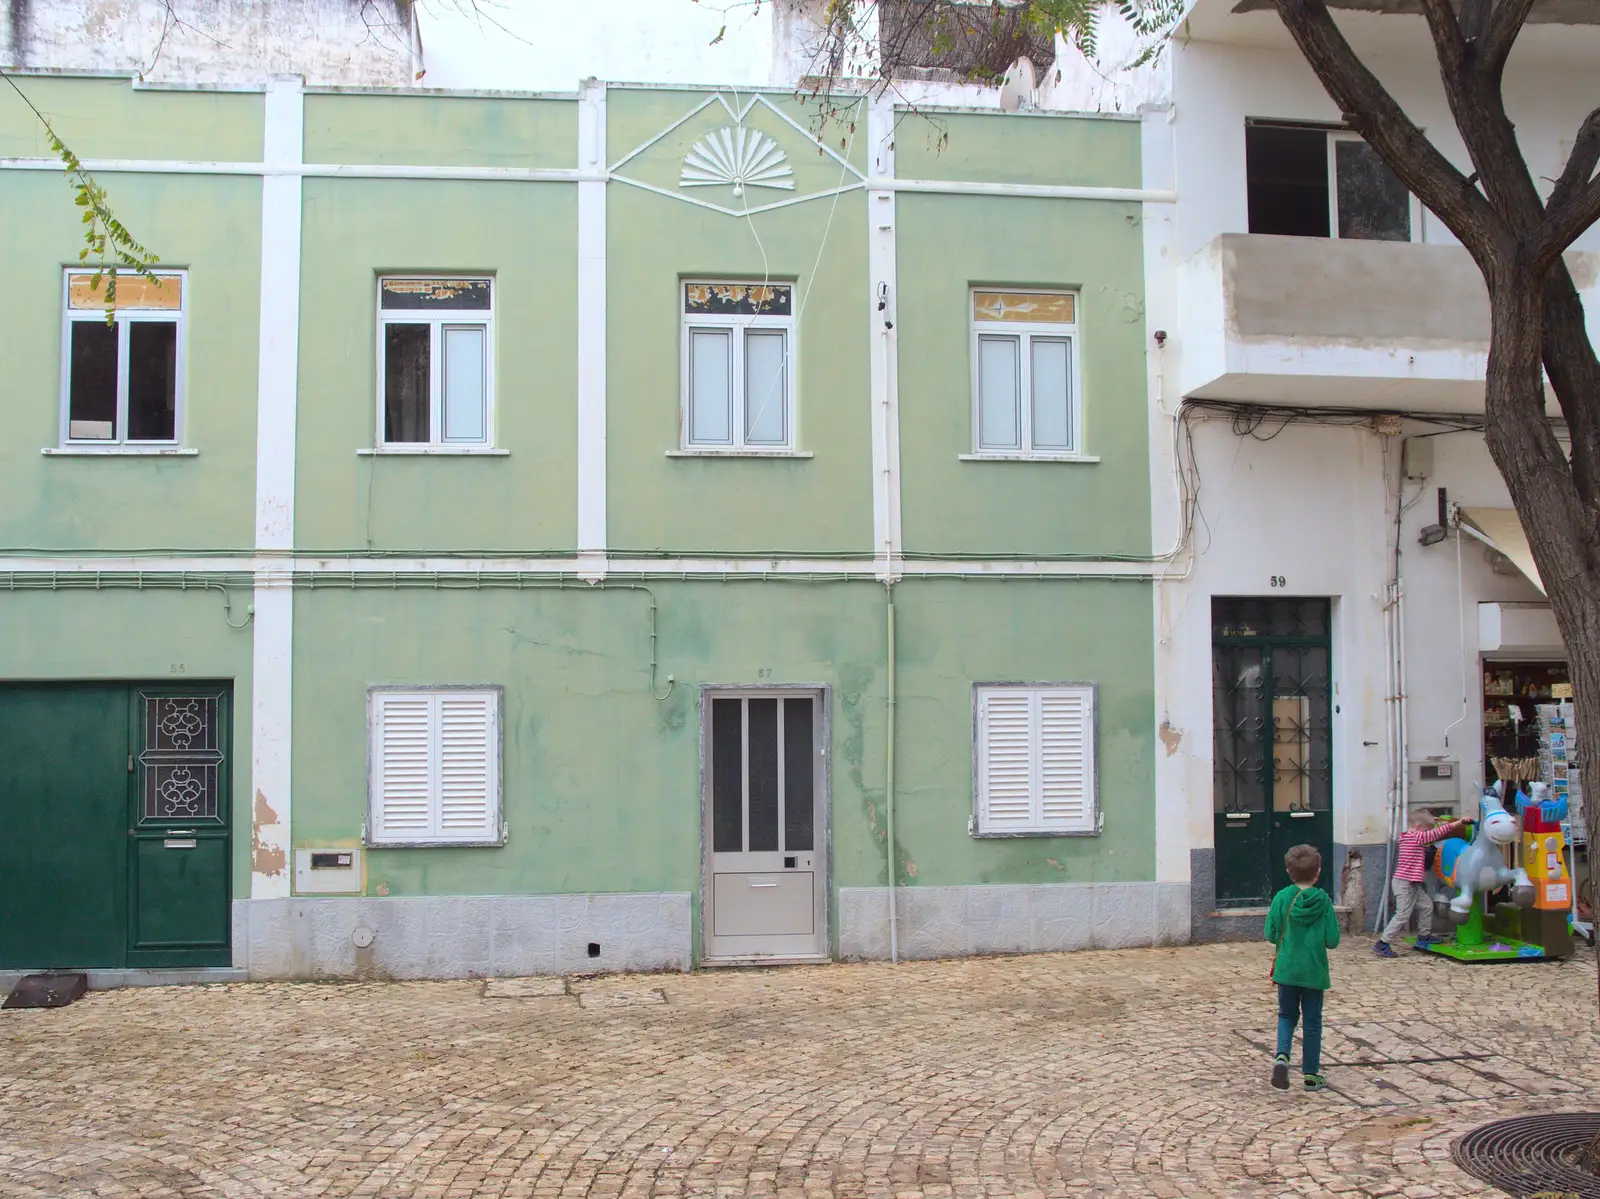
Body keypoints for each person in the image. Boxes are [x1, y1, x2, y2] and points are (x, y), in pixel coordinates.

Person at [1265, 844, 1341, 1092]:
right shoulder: (1324, 901)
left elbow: (1270, 933)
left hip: (1286, 969)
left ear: (1289, 871)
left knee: (1286, 1015)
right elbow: (1333, 940)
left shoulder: (1281, 898)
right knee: (1312, 1021)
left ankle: (1282, 1056)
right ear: (1317, 872)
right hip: (1313, 971)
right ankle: (1311, 1074)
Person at [1373, 810, 1470, 957]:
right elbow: (1436, 834)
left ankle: (1424, 935)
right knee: (1402, 915)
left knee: (1426, 906)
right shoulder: (1416, 837)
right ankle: (1383, 943)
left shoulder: (1407, 836)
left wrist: (1432, 821)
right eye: (1427, 829)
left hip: (1411, 883)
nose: (1429, 832)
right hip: (1405, 884)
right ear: (1418, 826)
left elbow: (1429, 831)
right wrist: (1459, 822)